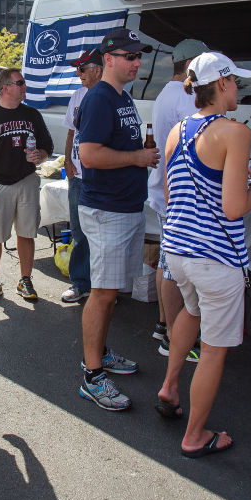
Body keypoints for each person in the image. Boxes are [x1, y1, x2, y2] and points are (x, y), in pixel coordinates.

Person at [156, 52, 251, 456]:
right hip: (215, 257)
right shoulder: (235, 132)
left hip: (178, 249)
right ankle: (194, 436)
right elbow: (234, 207)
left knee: (191, 313)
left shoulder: (178, 132)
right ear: (222, 84)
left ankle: (169, 387)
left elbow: (176, 194)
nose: (239, 89)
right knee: (213, 349)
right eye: (236, 82)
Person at [76, 28, 160, 411]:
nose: (137, 62)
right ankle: (92, 377)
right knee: (103, 293)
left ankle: (102, 354)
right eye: (130, 56)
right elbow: (90, 155)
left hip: (125, 207)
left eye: (139, 56)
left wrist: (137, 152)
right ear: (109, 59)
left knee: (112, 293)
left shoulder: (122, 96)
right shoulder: (99, 99)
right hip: (107, 210)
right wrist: (136, 159)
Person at [148, 38, 209, 354]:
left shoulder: (165, 93)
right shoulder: (186, 96)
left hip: (164, 189)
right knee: (173, 268)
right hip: (178, 194)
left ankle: (164, 325)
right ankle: (175, 337)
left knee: (165, 261)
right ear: (192, 64)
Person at [0, 68, 54, 303]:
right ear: (5, 87)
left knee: (27, 233)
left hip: (27, 181)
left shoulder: (32, 114)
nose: (24, 87)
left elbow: (47, 145)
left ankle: (25, 279)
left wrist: (41, 154)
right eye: (20, 83)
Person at [59, 49, 103, 304]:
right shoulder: (77, 95)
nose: (78, 75)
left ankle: (103, 288)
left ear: (98, 70)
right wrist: (67, 160)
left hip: (99, 177)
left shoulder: (111, 96)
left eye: (82, 69)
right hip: (77, 176)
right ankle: (80, 283)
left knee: (100, 233)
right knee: (78, 230)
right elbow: (70, 133)